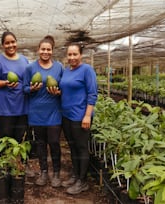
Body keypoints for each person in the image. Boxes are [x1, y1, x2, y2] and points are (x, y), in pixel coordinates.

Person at [0, 31, 34, 177]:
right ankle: (4, 167)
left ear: (17, 42)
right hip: (4, 108)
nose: (11, 45)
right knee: (5, 137)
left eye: (13, 42)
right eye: (7, 43)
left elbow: (28, 81)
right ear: (3, 45)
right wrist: (5, 83)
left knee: (21, 137)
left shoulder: (24, 61)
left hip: (22, 106)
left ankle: (24, 164)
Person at [23, 35, 63, 187]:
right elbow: (24, 88)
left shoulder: (59, 67)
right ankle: (44, 172)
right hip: (37, 111)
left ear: (52, 51)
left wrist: (58, 93)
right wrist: (31, 89)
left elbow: (63, 88)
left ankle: (57, 173)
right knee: (40, 143)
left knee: (54, 142)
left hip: (54, 110)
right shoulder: (30, 68)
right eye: (43, 49)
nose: (45, 52)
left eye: (48, 49)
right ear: (38, 50)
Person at [58, 42, 98, 194]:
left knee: (81, 148)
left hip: (80, 116)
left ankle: (82, 181)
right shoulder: (67, 71)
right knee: (73, 147)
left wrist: (87, 115)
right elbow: (65, 90)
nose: (72, 57)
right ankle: (75, 175)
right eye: (70, 54)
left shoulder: (87, 70)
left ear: (81, 55)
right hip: (67, 115)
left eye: (75, 54)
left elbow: (92, 94)